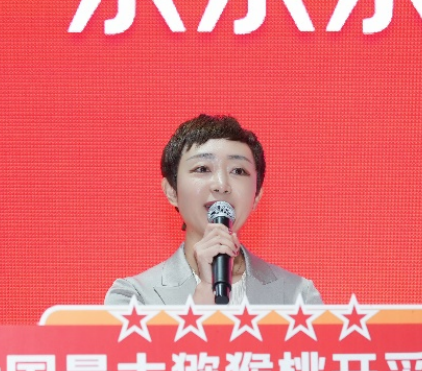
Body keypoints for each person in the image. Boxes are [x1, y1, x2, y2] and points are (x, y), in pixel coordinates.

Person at [104, 115, 322, 306]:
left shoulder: (298, 296)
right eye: (202, 168)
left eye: (238, 171)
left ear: (256, 196)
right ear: (171, 191)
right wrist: (202, 300)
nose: (221, 184)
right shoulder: (133, 297)